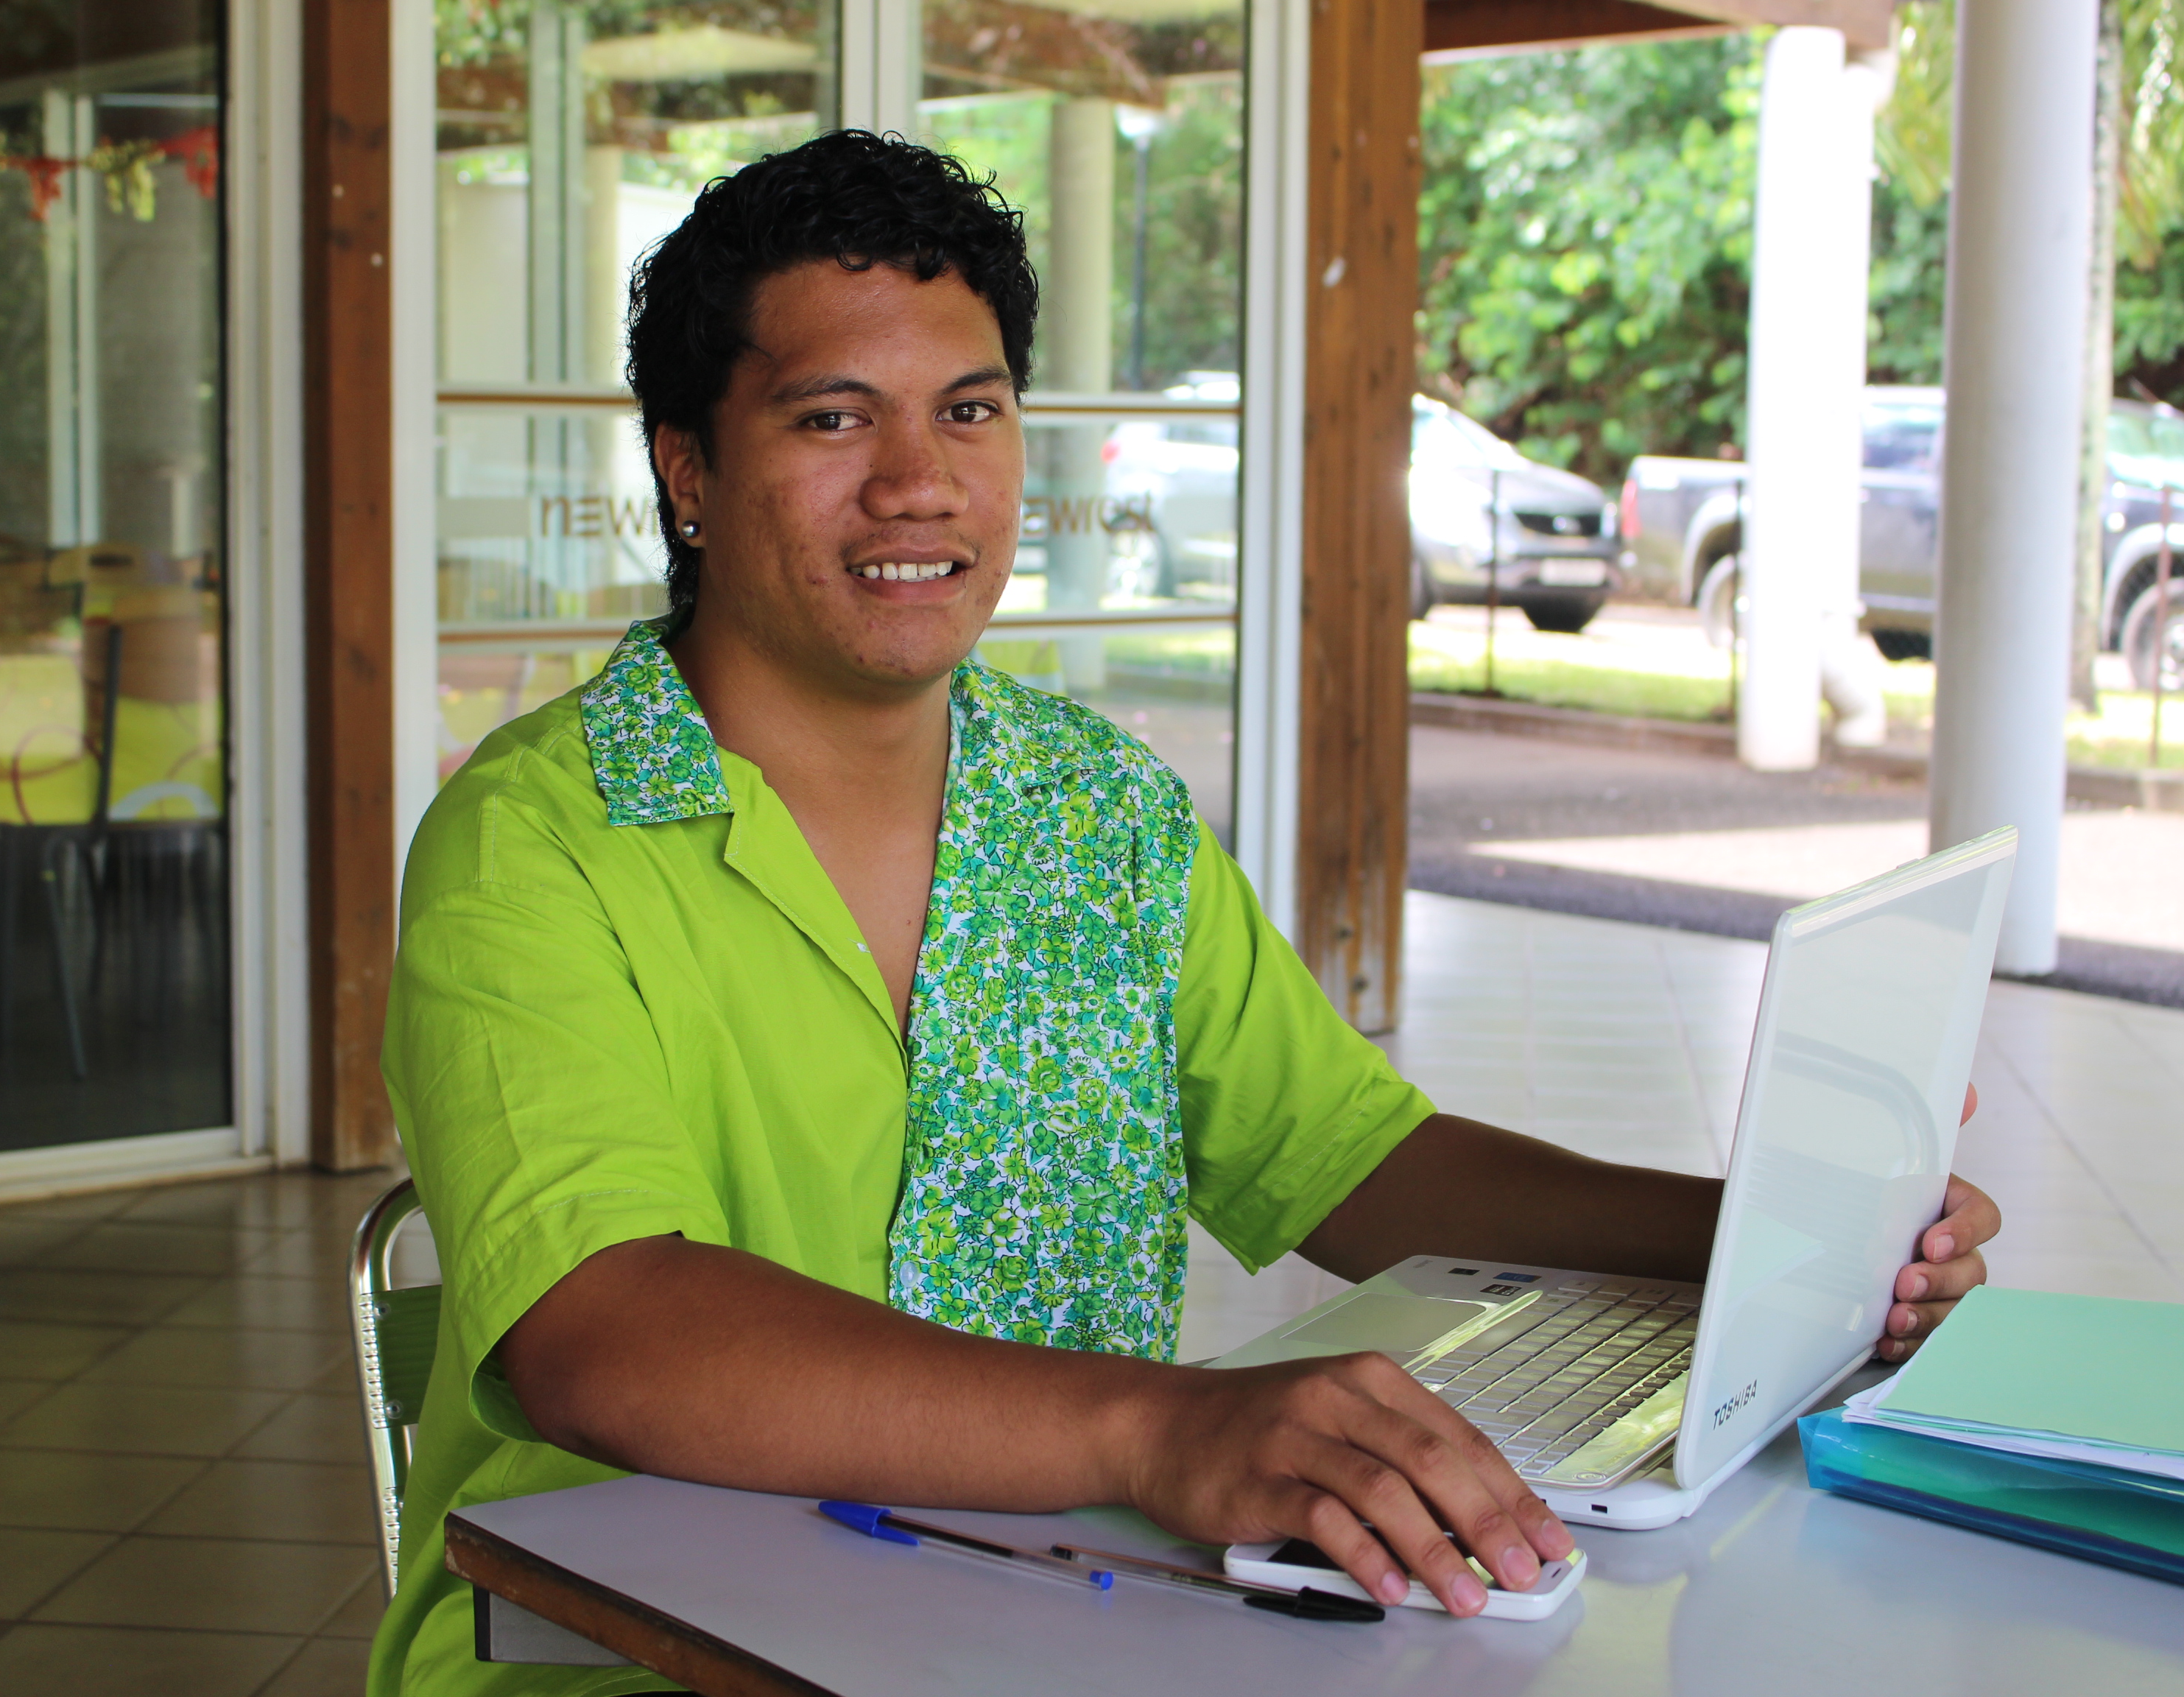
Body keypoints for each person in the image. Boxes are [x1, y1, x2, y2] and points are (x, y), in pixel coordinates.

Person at [370, 132, 2000, 1696]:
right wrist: (1163, 1431)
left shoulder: (1095, 811)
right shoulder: (537, 843)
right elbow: (611, 1334)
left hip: (1064, 1619)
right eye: (832, 419)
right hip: (630, 1656)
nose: (919, 484)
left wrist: (1766, 1241)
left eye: (970, 410)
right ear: (690, 472)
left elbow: (1359, 1163)